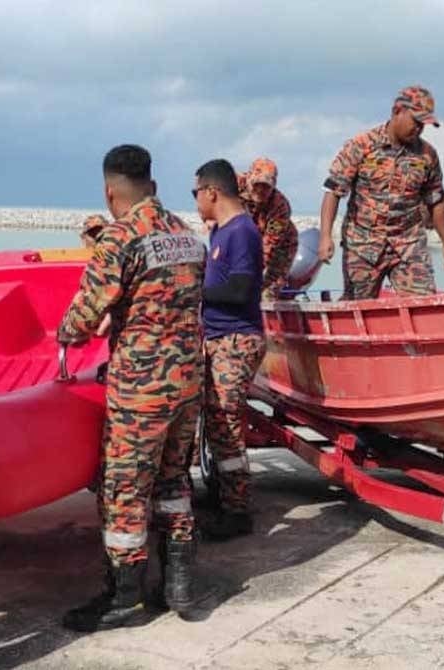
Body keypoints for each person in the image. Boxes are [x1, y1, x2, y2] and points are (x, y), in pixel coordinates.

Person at [58, 144, 205, 630]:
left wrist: (61, 333)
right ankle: (180, 584)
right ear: (153, 184)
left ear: (110, 191)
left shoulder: (121, 238)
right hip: (188, 381)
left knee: (124, 489)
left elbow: (82, 317)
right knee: (173, 479)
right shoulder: (186, 234)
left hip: (142, 388)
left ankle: (126, 598)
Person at [318, 85, 444, 300]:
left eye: (424, 125)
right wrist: (325, 237)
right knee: (358, 307)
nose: (419, 129)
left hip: (408, 244)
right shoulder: (362, 146)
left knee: (424, 306)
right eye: (416, 122)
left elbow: (435, 200)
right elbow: (333, 191)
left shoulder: (427, 155)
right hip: (363, 245)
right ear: (397, 111)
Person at [194, 159, 266, 540]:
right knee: (215, 422)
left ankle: (237, 511)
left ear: (212, 193)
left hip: (236, 339)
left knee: (227, 425)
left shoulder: (241, 233)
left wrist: (194, 291)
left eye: (196, 194)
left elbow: (240, 291)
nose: (195, 202)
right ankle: (222, 494)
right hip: (219, 339)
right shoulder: (220, 232)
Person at [239, 158, 298, 300]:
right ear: (249, 178)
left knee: (266, 293)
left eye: (265, 187)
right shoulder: (231, 185)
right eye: (257, 184)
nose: (260, 190)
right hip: (244, 237)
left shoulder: (280, 207)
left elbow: (267, 248)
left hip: (280, 247)